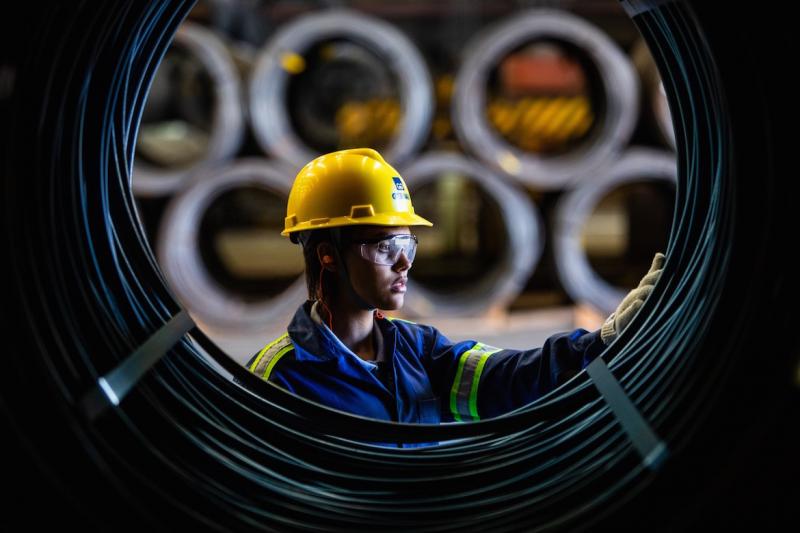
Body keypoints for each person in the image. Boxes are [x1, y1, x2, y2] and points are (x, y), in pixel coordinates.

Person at [244, 148, 664, 432]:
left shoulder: (419, 350)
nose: (404, 262)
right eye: (385, 246)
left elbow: (514, 380)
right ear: (327, 255)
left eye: (407, 244)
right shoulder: (280, 378)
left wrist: (605, 341)